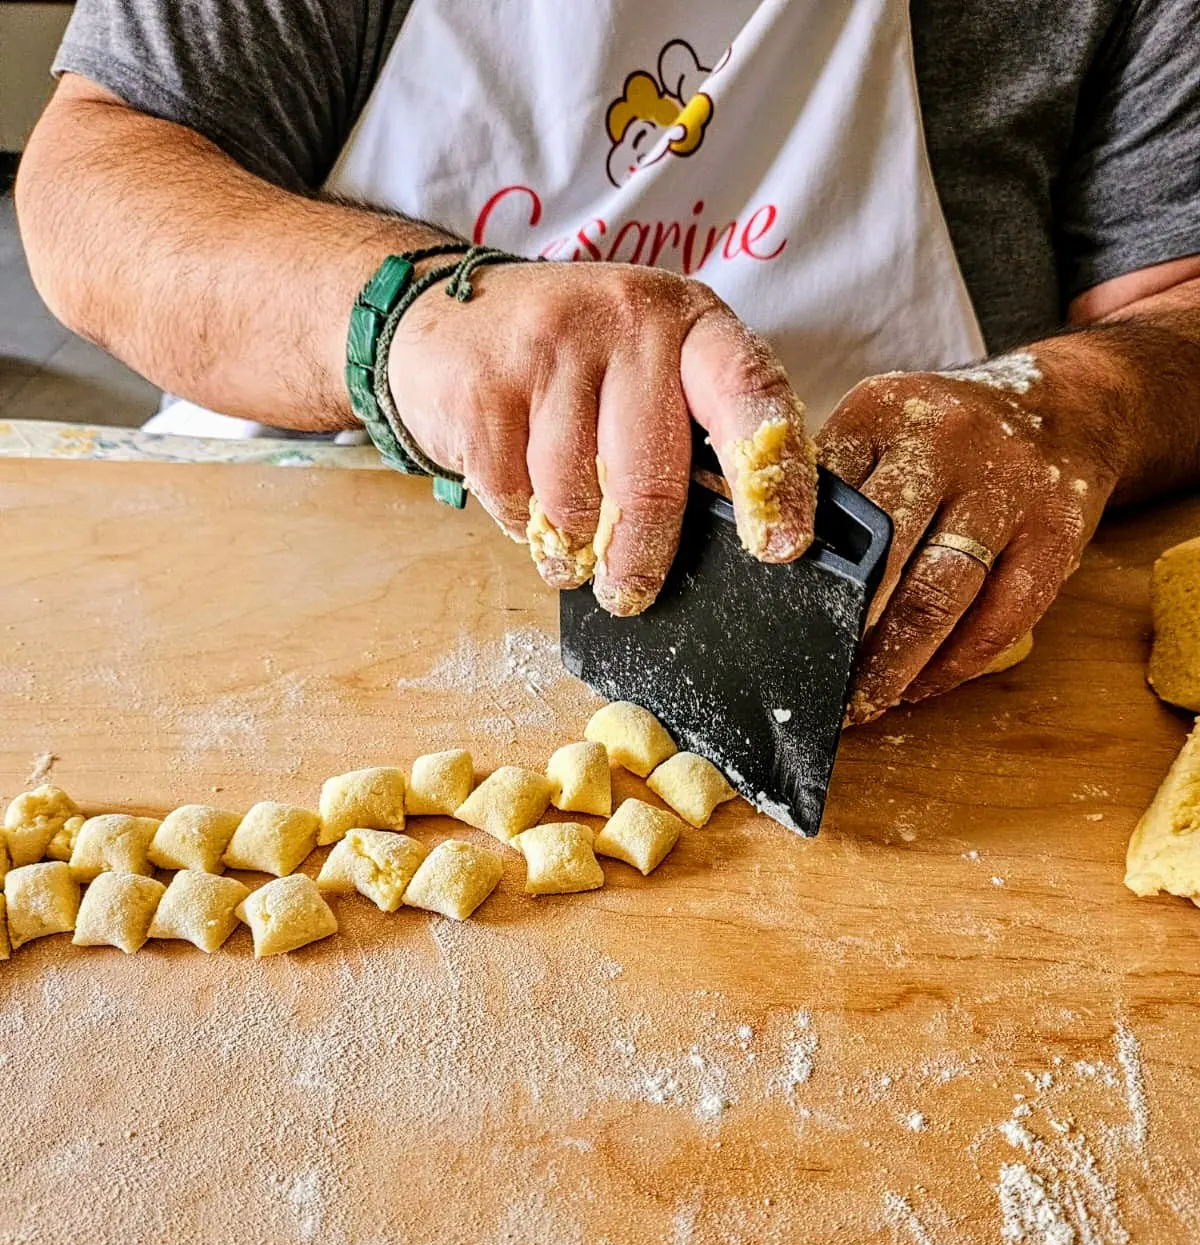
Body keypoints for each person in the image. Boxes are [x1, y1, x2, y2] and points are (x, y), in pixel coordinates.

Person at [16, 1, 1200, 721]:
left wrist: (1073, 406)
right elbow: (93, 182)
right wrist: (411, 313)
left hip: (905, 610)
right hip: (295, 566)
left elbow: (1176, 304)